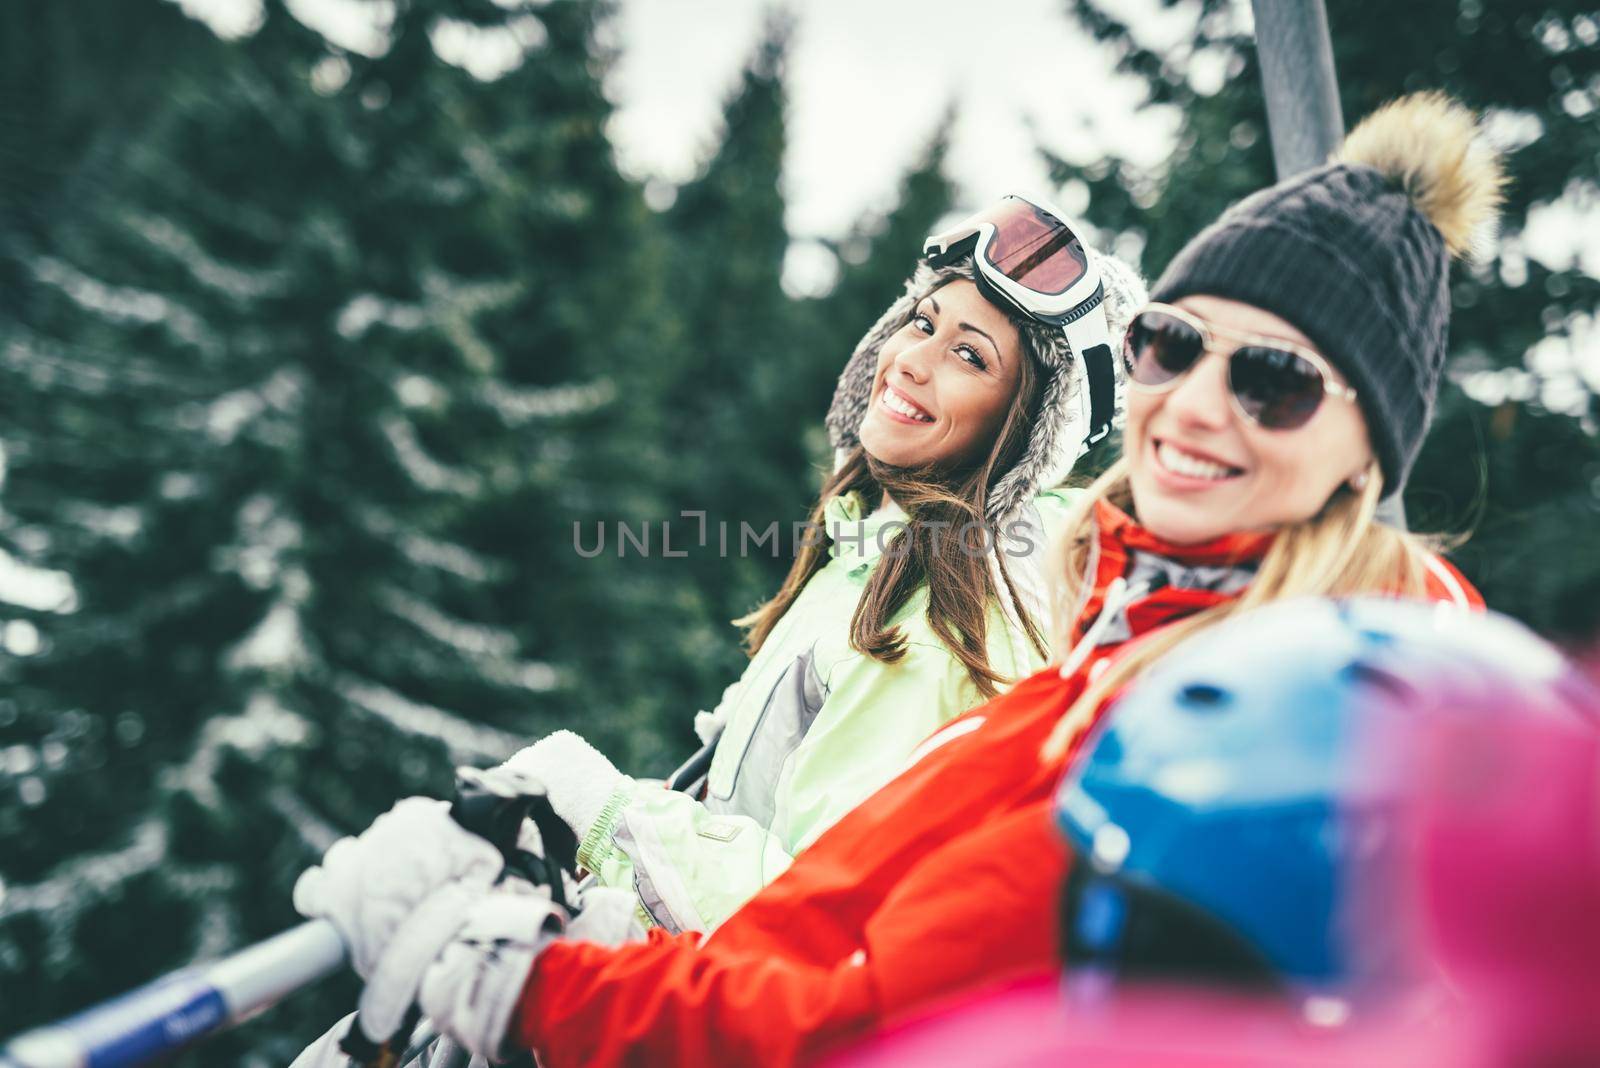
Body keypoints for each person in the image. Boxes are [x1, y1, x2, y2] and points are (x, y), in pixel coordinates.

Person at [288, 91, 1502, 1067]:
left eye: (1275, 381)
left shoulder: (1244, 716)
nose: (1195, 405)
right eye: (1168, 347)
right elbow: (830, 928)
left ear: (1369, 454)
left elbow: (858, 1001)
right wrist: (583, 944)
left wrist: (563, 915)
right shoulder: (1073, 655)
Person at [496, 197, 1147, 938]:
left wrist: (602, 812)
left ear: (1031, 432)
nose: (913, 360)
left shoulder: (940, 629)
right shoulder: (880, 553)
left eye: (971, 356)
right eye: (923, 322)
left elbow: (813, 916)